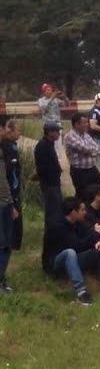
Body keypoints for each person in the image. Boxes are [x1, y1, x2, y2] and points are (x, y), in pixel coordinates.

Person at [42, 196, 100, 305]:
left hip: (76, 258)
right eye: (82, 210)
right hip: (56, 262)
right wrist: (96, 234)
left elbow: (89, 236)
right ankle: (81, 292)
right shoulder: (57, 227)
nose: (85, 213)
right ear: (73, 212)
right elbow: (76, 246)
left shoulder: (79, 223)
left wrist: (98, 241)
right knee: (69, 252)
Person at [63, 113, 100, 200]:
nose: (87, 124)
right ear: (76, 124)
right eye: (84, 122)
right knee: (84, 196)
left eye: (87, 122)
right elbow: (85, 149)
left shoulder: (86, 135)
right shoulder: (70, 136)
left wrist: (92, 151)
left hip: (92, 169)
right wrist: (93, 151)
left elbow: (97, 148)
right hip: (80, 172)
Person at [34, 121, 64, 226]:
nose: (59, 134)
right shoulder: (43, 146)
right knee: (53, 212)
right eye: (57, 132)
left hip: (54, 183)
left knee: (57, 210)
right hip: (49, 184)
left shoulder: (49, 144)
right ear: (50, 132)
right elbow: (42, 168)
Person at [2, 119, 22, 254]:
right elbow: (7, 171)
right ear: (8, 130)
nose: (20, 133)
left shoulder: (13, 145)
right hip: (8, 188)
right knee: (12, 216)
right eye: (17, 130)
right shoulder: (5, 147)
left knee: (17, 216)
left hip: (15, 186)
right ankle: (9, 245)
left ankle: (15, 244)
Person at [0, 123, 14, 293]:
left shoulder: (4, 148)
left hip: (6, 201)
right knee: (1, 244)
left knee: (6, 245)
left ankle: (2, 279)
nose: (4, 131)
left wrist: (11, 202)